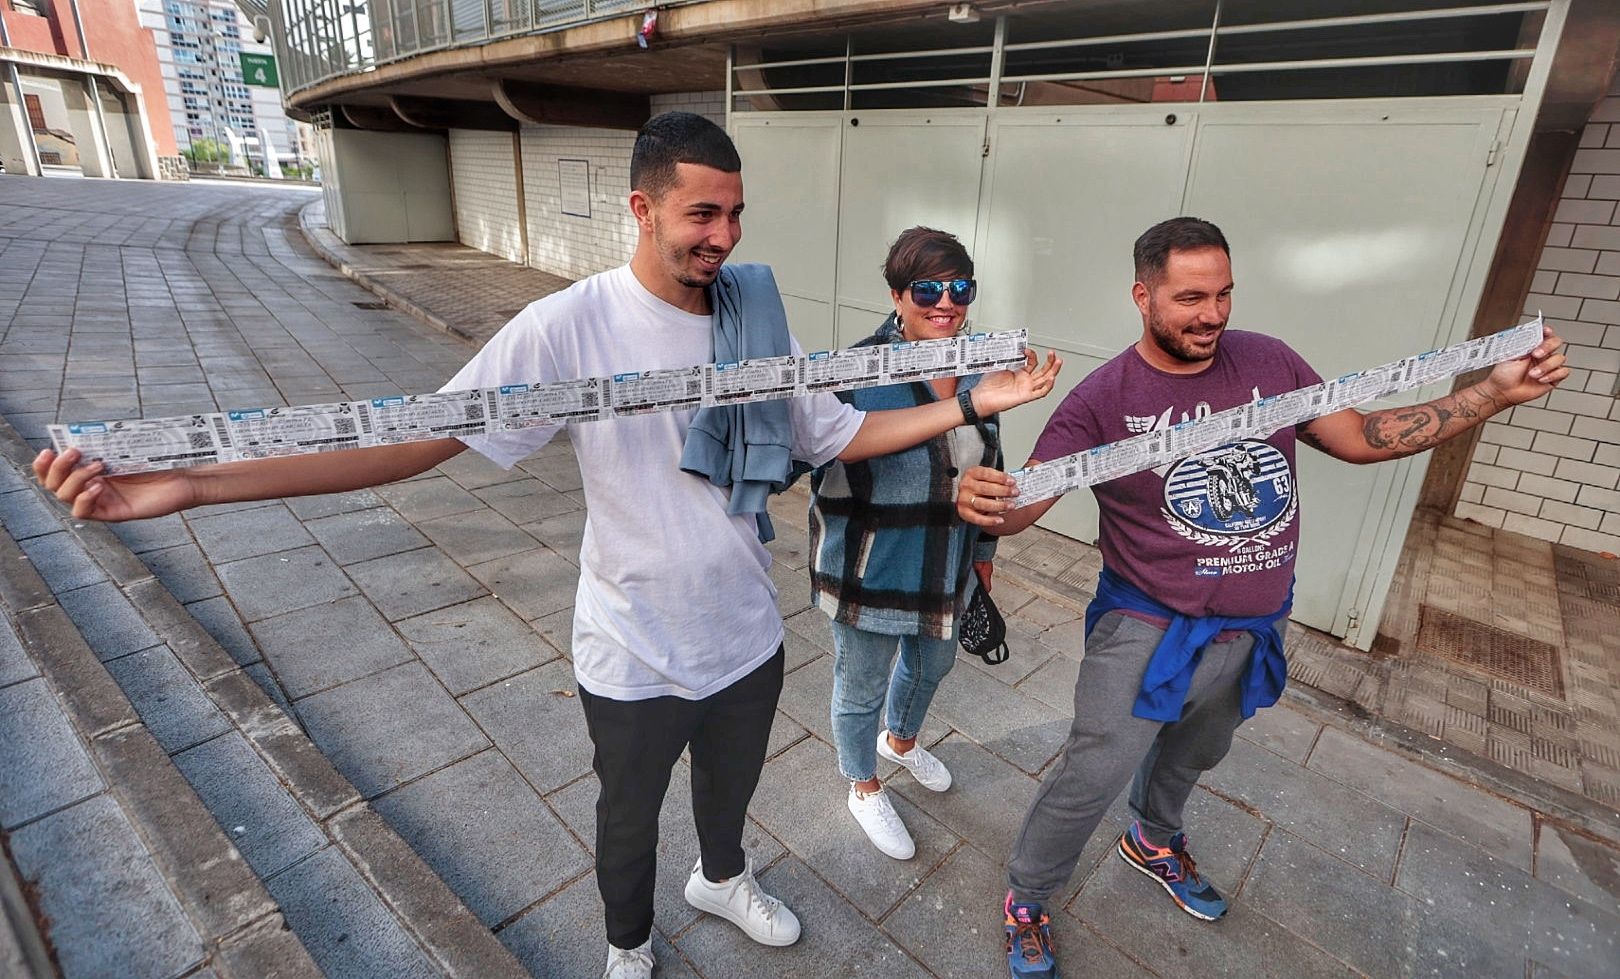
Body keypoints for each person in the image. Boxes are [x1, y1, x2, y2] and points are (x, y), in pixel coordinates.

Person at [33, 112, 1060, 979]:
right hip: (633, 647)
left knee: (728, 795)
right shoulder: (566, 327)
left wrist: (973, 400)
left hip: (745, 633)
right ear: (642, 208)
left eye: (735, 212)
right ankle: (628, 943)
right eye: (702, 214)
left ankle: (722, 878)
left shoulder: (754, 317)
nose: (724, 235)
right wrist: (195, 484)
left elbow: (836, 432)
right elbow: (414, 439)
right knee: (627, 819)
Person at [954, 217, 1568, 979]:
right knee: (1094, 770)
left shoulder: (1270, 362)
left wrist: (1494, 393)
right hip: (1146, 623)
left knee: (1195, 751)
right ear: (1143, 297)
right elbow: (1020, 509)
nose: (1212, 314)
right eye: (1190, 298)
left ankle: (1152, 839)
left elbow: (1360, 435)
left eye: (1223, 294)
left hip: (1252, 624)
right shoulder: (1103, 398)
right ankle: (1028, 896)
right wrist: (984, 501)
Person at [809, 227, 1026, 859]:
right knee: (861, 684)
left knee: (934, 664)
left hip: (947, 562)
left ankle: (899, 742)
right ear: (897, 296)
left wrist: (983, 554)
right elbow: (824, 460)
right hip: (871, 564)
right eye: (928, 289)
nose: (946, 303)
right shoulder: (856, 371)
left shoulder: (978, 369)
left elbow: (990, 464)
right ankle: (863, 783)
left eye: (960, 289)